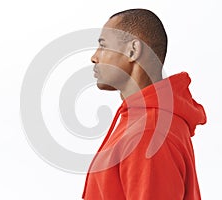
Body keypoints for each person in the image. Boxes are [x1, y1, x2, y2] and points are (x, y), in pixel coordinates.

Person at [82, 8, 207, 200]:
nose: (94, 57)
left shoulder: (149, 132)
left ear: (132, 50)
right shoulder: (141, 123)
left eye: (104, 46)